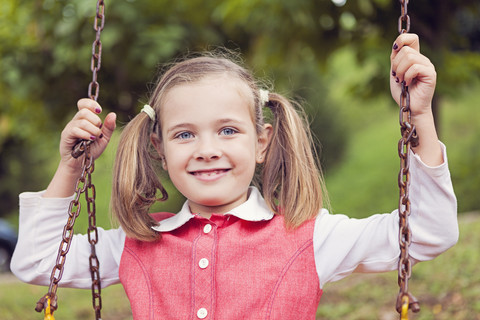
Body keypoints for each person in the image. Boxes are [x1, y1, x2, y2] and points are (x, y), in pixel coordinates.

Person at [11, 33, 458, 319]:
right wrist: (72, 168)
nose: (208, 150)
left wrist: (418, 117)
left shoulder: (309, 237)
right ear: (159, 150)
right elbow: (34, 261)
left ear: (261, 142)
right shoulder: (138, 243)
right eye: (184, 134)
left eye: (228, 130)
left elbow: (427, 232)